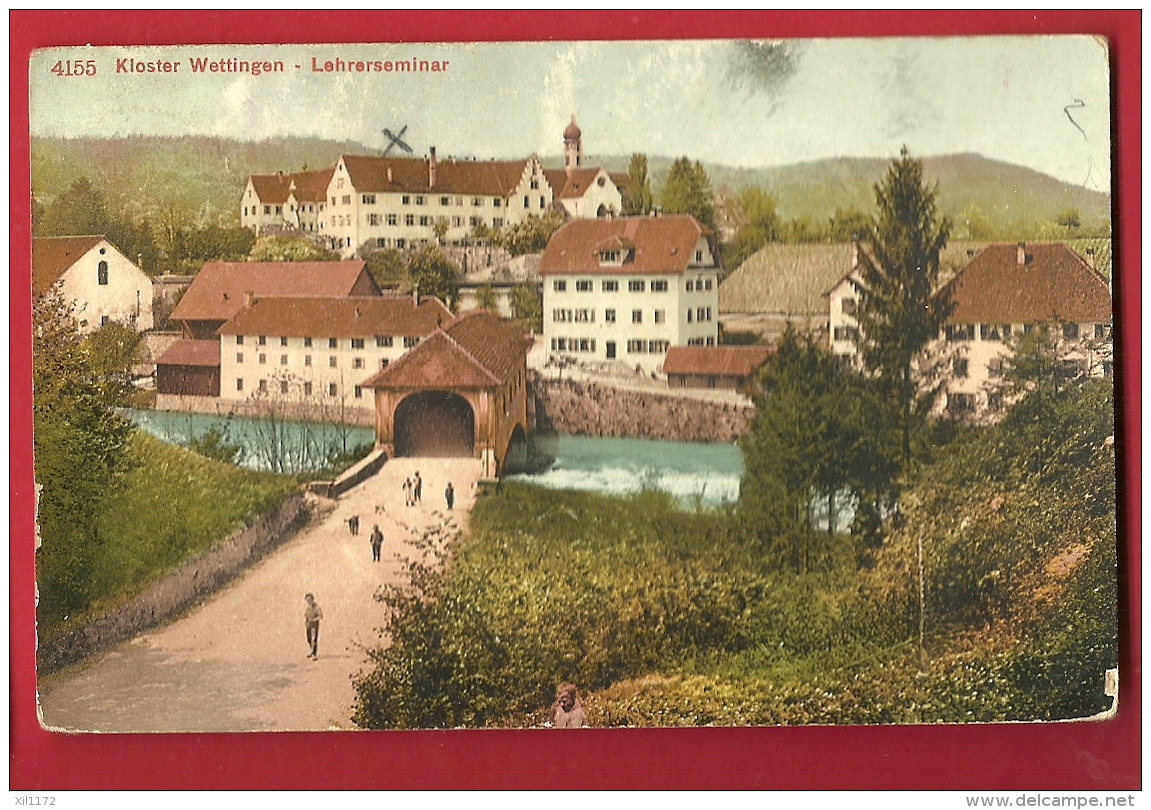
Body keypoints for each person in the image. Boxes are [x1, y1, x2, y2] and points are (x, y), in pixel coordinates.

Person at [304, 593, 323, 660]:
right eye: (307, 600)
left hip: (314, 626)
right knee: (309, 639)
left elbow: (320, 616)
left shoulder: (316, 607)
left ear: (312, 599)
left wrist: (313, 620)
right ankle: (312, 651)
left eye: (309, 599)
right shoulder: (308, 608)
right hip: (308, 625)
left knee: (314, 639)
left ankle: (314, 654)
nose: (308, 601)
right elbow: (306, 616)